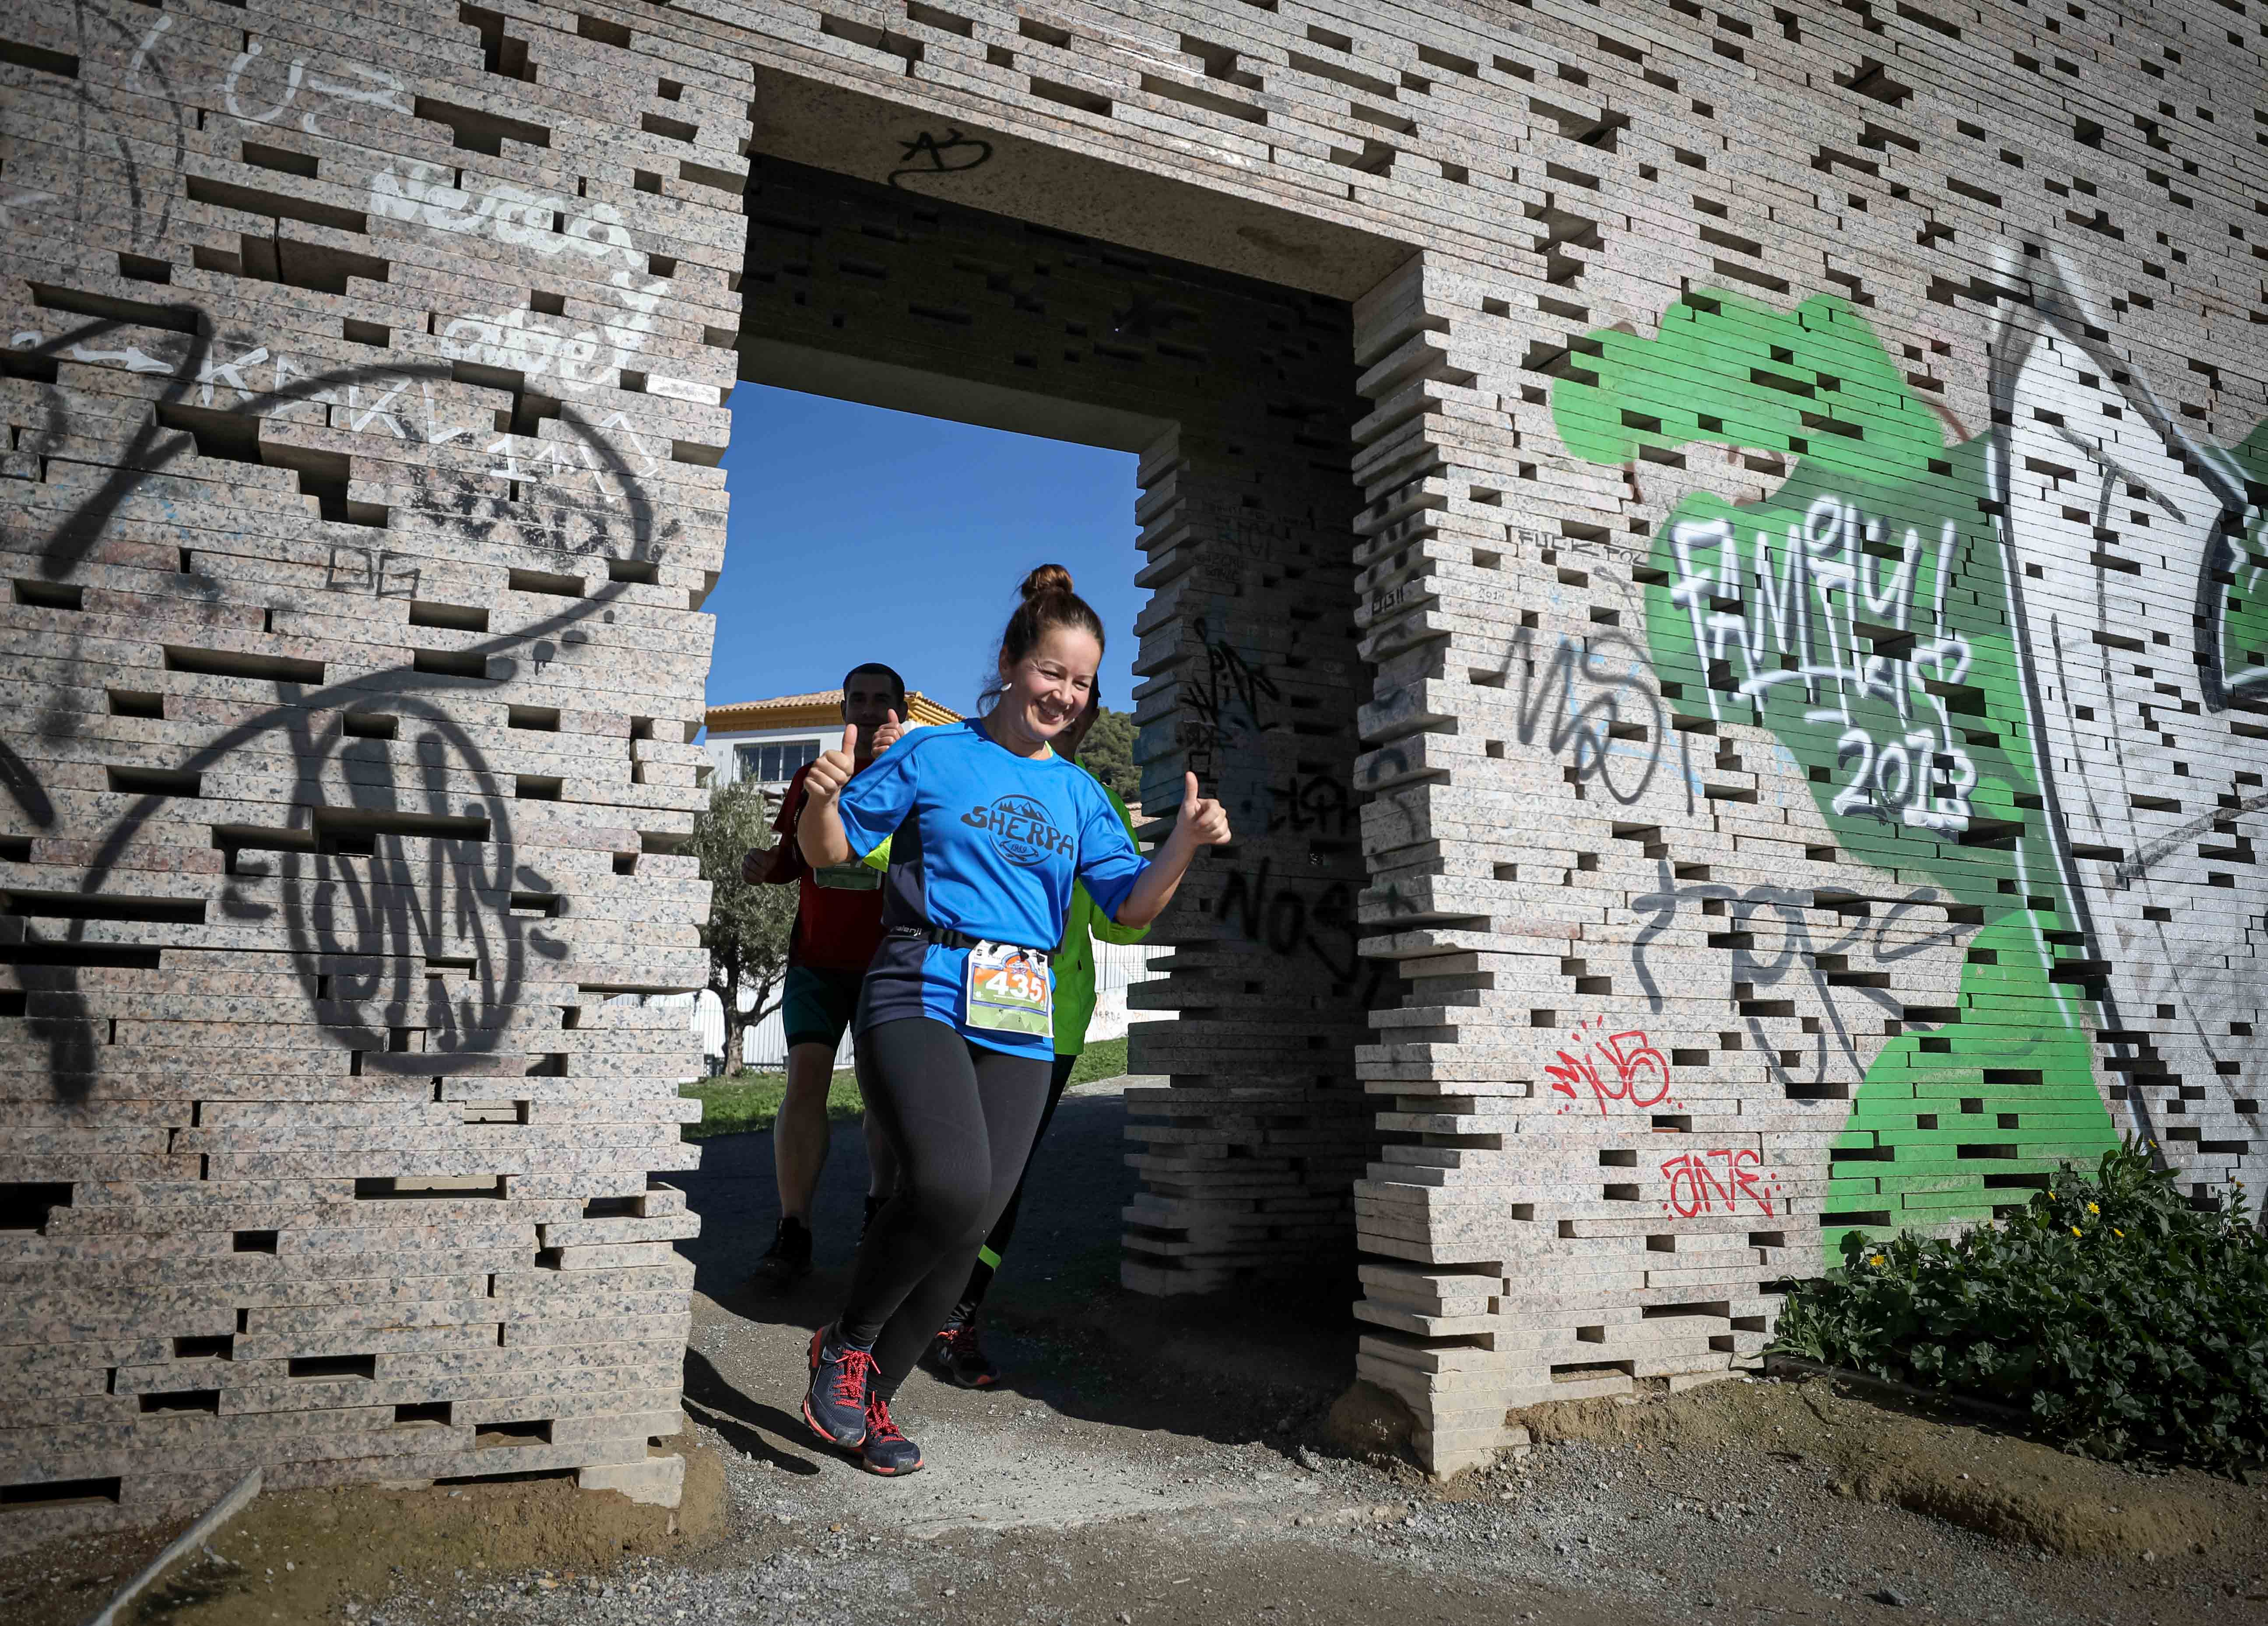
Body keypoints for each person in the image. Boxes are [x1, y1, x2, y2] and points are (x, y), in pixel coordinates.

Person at [791, 565, 1231, 1476]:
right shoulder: (932, 753)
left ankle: (875, 1400)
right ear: (1008, 662)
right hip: (918, 982)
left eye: (1080, 684)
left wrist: (1181, 843)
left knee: (973, 1223)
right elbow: (834, 856)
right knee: (948, 1184)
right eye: (1050, 673)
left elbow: (1131, 906)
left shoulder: (1079, 795)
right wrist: (823, 804)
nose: (1064, 696)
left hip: (1020, 1011)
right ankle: (845, 1341)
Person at [923, 681, 1145, 1388]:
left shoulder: (1090, 799)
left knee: (1003, 1179)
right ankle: (897, 1300)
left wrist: (1172, 865)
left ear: (1091, 719)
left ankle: (957, 1313)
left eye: (1081, 701)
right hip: (948, 1001)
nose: (1064, 711)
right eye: (1054, 692)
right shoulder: (970, 765)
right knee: (942, 1169)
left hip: (1049, 1016)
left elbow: (1121, 921)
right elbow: (879, 855)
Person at [741, 663, 912, 1293]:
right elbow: (793, 856)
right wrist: (766, 864)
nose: (868, 710)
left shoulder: (921, 771)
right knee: (804, 1083)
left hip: (890, 961)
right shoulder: (812, 772)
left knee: (883, 1092)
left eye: (881, 700)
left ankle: (879, 1211)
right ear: (844, 705)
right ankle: (793, 1230)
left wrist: (905, 765)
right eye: (858, 699)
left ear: (900, 707)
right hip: (816, 958)